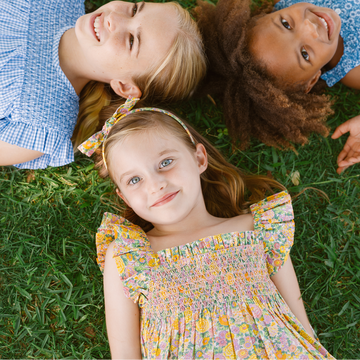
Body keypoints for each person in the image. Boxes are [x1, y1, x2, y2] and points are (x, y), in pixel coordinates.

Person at [78, 98, 336, 359]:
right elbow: (124, 353)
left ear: (199, 159)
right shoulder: (129, 255)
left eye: (166, 162)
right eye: (135, 180)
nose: (155, 184)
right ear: (124, 197)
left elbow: (298, 320)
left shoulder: (258, 228)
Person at [0, 0, 206, 169]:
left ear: (125, 87)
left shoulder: (42, 124)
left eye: (132, 40)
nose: (114, 18)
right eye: (134, 9)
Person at [195, 0, 360, 174]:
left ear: (266, 15)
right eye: (305, 54)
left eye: (286, 24)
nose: (309, 26)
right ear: (312, 80)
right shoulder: (353, 67)